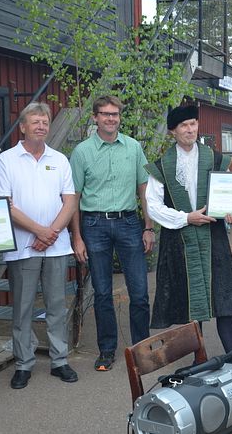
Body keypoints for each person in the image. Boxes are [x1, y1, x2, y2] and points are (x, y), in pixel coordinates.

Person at [144, 105, 232, 353]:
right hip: (180, 238)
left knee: (223, 297)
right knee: (189, 299)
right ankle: (198, 358)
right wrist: (187, 218)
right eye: (183, 126)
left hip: (214, 237)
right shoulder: (161, 166)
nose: (190, 129)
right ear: (173, 131)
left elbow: (230, 194)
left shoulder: (216, 158)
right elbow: (153, 206)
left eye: (193, 124)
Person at [0, 102, 78, 389]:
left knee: (56, 305)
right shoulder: (7, 160)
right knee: (23, 307)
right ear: (23, 126)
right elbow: (5, 204)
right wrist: (39, 231)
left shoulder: (60, 159)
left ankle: (59, 361)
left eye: (45, 121)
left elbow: (70, 200)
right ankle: (24, 363)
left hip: (56, 246)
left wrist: (51, 233)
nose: (41, 126)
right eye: (35, 121)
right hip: (22, 246)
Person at [70, 95, 154, 371]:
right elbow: (74, 197)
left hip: (129, 223)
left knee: (139, 292)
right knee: (103, 292)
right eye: (105, 114)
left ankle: (141, 349)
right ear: (94, 118)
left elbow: (145, 191)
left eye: (115, 114)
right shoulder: (82, 152)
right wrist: (77, 236)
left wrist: (149, 227)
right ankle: (107, 350)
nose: (110, 119)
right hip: (94, 226)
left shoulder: (133, 148)